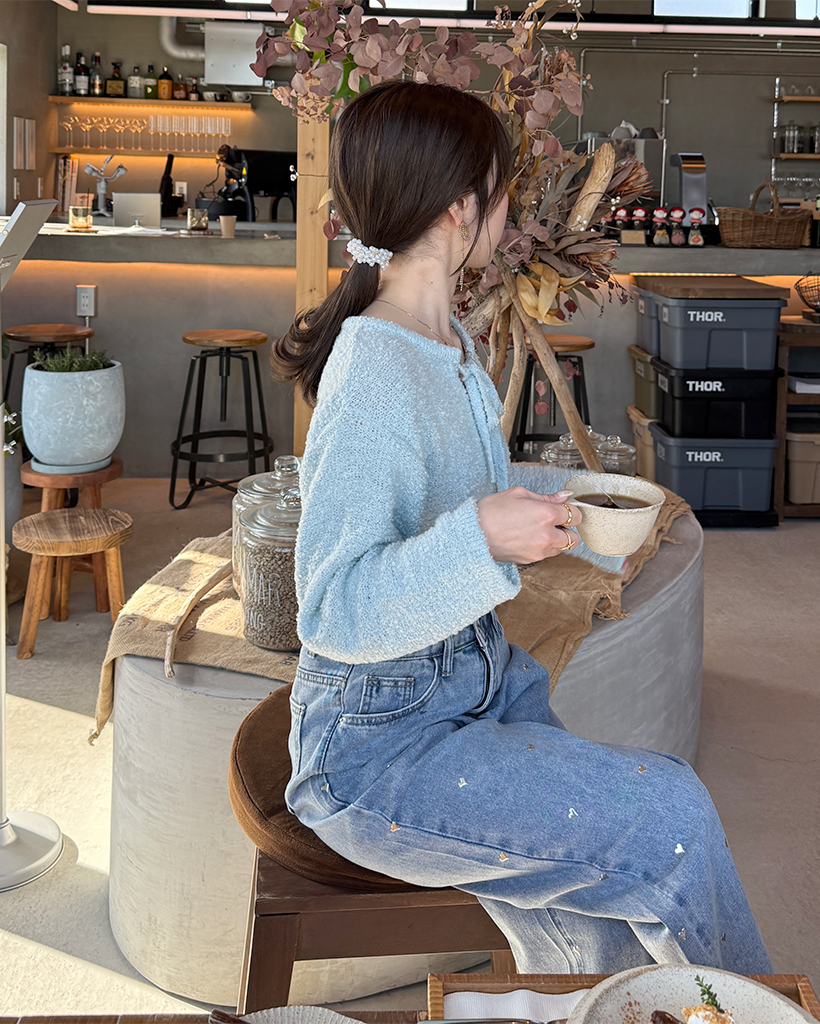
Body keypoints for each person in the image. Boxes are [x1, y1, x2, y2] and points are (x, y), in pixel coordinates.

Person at [273, 80, 772, 973]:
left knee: (601, 925)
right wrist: (483, 538)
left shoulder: (446, 339)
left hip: (478, 682)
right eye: (502, 190)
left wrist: (574, 493)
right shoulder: (373, 370)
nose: (509, 211)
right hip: (377, 750)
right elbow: (334, 608)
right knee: (672, 821)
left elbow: (464, 488)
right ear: (460, 207)